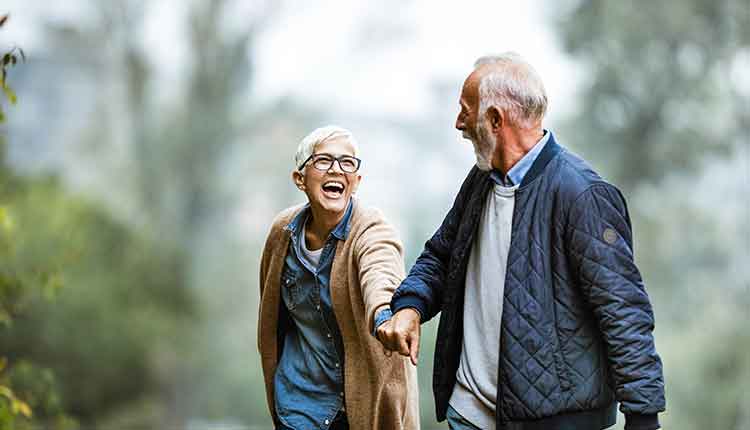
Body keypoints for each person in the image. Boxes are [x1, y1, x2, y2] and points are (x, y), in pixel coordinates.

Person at [377, 53, 666, 430]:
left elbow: (623, 313)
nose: (458, 122)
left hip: (556, 421)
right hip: (470, 413)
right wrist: (410, 306)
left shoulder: (582, 194)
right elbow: (442, 255)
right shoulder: (481, 180)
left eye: (466, 110)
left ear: (495, 120)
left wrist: (643, 418)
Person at [257, 126, 420, 430]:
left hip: (361, 407)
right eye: (323, 161)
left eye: (347, 163)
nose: (337, 169)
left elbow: (380, 273)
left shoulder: (372, 229)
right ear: (300, 179)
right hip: (299, 405)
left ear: (356, 181)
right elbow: (271, 318)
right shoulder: (282, 234)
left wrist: (385, 314)